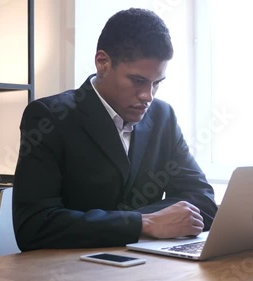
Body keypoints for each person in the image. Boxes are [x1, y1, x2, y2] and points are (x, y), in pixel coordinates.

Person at [12, 8, 218, 251]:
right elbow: (34, 226)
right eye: (138, 81)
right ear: (103, 62)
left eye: (157, 84)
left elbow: (203, 201)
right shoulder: (49, 118)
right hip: (70, 270)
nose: (147, 96)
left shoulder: (163, 117)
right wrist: (143, 223)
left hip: (147, 266)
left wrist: (143, 222)